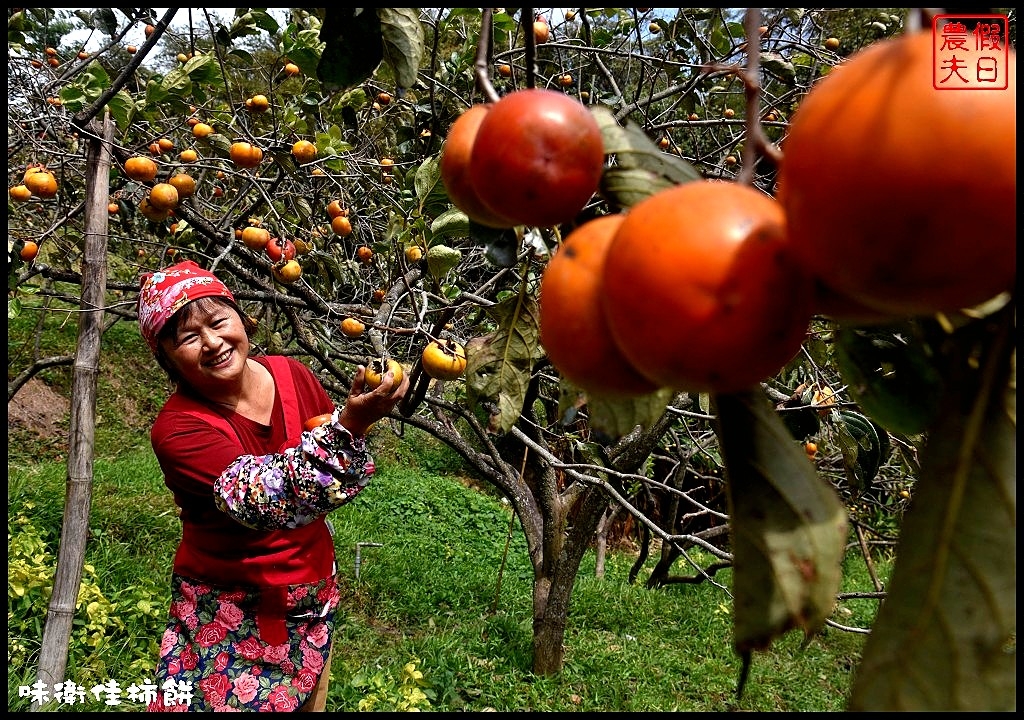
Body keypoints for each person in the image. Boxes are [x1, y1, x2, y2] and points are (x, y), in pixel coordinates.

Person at [136, 260, 409, 712]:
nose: (212, 342)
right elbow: (269, 500)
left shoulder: (291, 373)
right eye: (186, 337)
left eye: (218, 320)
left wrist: (348, 424)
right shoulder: (179, 429)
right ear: (166, 357)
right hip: (225, 608)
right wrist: (353, 423)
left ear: (240, 317)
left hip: (309, 593)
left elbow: (328, 476)